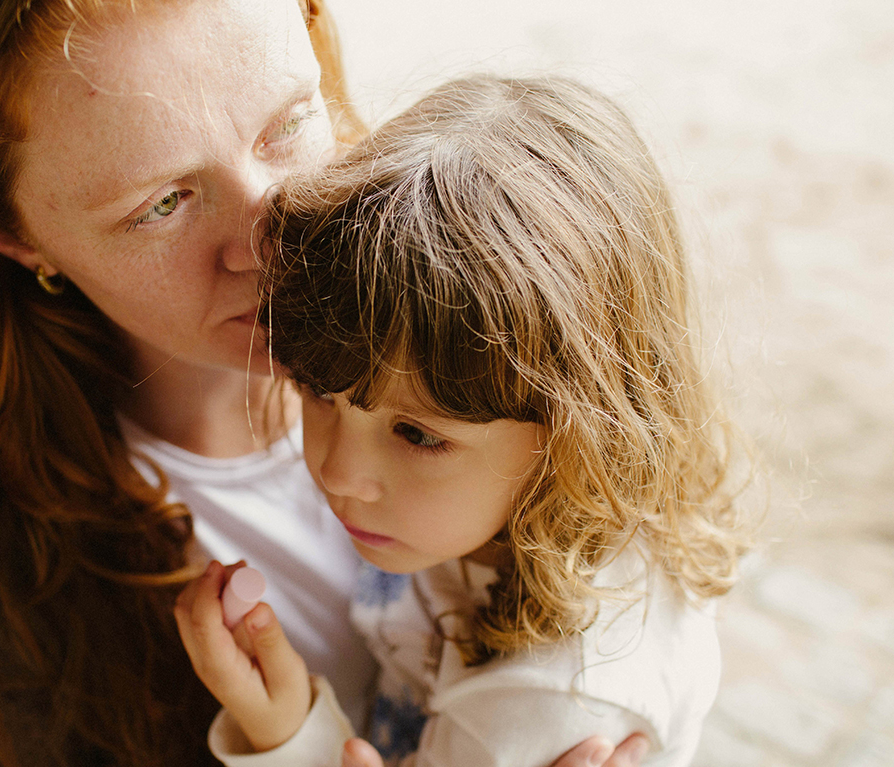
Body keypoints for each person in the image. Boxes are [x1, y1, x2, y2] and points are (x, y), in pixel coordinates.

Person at [0, 0, 647, 764]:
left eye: (289, 123)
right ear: (2, 230)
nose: (271, 233)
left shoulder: (489, 282)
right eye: (161, 204)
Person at [174, 75, 747, 766]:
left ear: (578, 437)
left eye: (418, 434)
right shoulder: (486, 512)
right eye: (319, 390)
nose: (337, 472)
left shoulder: (542, 705)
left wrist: (291, 734)